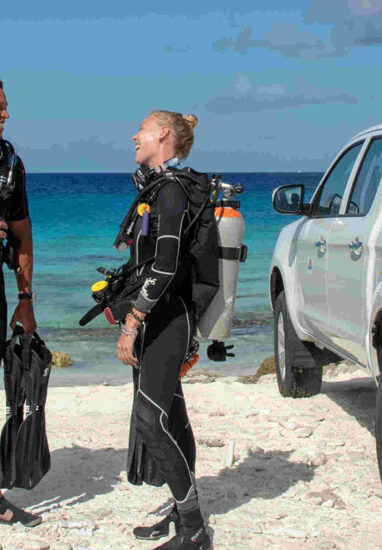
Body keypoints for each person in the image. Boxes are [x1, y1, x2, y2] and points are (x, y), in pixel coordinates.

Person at [117, 110, 211, 550]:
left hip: (168, 318)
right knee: (172, 416)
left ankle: (193, 529)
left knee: (150, 421)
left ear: (164, 136)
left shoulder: (171, 192)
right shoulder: (160, 187)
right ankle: (181, 516)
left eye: (143, 129)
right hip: (165, 315)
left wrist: (133, 321)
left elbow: (166, 265)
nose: (135, 135)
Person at [0, 78, 42, 528]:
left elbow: (21, 230)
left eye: (6, 107)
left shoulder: (10, 163)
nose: (6, 114)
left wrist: (25, 298)